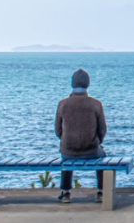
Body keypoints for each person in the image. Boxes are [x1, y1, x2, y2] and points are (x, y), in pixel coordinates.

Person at [54, 68, 107, 203]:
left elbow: (57, 130)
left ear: (72, 84)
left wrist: (67, 140)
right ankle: (101, 191)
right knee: (103, 155)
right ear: (87, 84)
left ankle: (66, 192)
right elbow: (102, 130)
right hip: (91, 150)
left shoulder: (63, 104)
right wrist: (96, 141)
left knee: (65, 156)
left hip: (68, 151)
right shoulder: (96, 104)